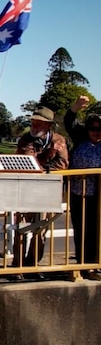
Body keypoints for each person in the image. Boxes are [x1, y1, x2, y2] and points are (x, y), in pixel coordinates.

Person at [12, 107, 69, 269]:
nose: (34, 126)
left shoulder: (59, 139)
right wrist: (50, 153)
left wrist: (44, 166)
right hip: (25, 190)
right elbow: (28, 163)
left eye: (39, 123)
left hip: (47, 191)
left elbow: (63, 164)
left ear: (49, 126)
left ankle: (33, 265)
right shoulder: (25, 139)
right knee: (21, 228)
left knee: (41, 229)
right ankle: (18, 265)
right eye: (33, 122)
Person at [64, 95, 101, 279]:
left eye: (99, 129)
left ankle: (95, 265)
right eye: (92, 128)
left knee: (96, 229)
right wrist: (76, 106)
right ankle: (82, 264)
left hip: (98, 195)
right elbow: (69, 121)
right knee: (80, 228)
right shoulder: (80, 138)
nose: (96, 132)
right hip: (79, 192)